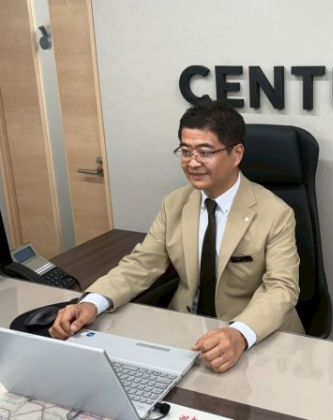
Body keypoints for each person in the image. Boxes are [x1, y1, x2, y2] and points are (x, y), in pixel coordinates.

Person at [49, 101, 304, 373]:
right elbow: (142, 263)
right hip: (186, 332)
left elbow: (281, 287)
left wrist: (239, 333)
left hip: (252, 335)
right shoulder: (174, 204)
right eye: (185, 151)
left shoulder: (275, 213)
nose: (192, 162)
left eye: (205, 152)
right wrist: (91, 303)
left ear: (236, 153)